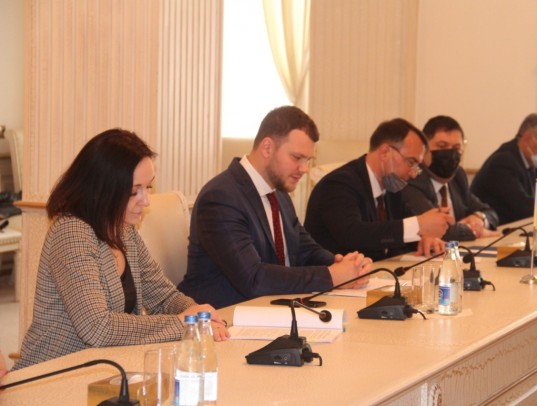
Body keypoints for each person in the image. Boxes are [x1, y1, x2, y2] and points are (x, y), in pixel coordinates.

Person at [13, 129, 228, 370]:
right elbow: (97, 328)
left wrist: (197, 315)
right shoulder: (72, 232)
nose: (146, 200)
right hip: (51, 374)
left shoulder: (123, 230)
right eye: (135, 191)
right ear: (104, 189)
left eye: (148, 187)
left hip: (105, 369)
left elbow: (163, 296)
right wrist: (183, 324)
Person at [178, 106, 371, 308]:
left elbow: (304, 250)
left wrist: (346, 266)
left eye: (308, 160)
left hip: (270, 311)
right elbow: (254, 279)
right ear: (267, 148)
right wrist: (332, 275)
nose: (304, 169)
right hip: (223, 317)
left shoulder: (279, 193)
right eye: (297, 158)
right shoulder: (220, 197)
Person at [304, 118, 453, 262]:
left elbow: (396, 232)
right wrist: (418, 226)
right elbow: (352, 234)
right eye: (411, 162)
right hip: (332, 277)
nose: (414, 174)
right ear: (385, 152)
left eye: (417, 166)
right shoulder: (339, 184)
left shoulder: (392, 187)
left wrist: (424, 239)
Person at [402, 115, 499, 240]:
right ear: (424, 148)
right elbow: (437, 228)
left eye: (456, 148)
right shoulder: (412, 177)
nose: (450, 153)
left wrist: (479, 219)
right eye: (442, 146)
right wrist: (475, 231)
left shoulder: (458, 176)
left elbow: (491, 213)